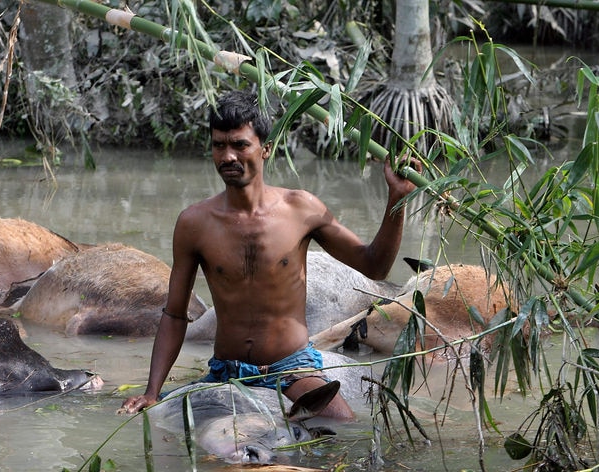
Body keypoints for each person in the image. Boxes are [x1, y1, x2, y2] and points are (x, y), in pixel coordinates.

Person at [121, 90, 420, 420]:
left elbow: (374, 265)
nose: (228, 156)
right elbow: (175, 315)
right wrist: (151, 391)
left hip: (293, 367)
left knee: (343, 427)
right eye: (219, 145)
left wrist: (397, 198)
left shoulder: (300, 208)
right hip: (227, 369)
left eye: (240, 144)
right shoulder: (194, 223)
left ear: (265, 149)